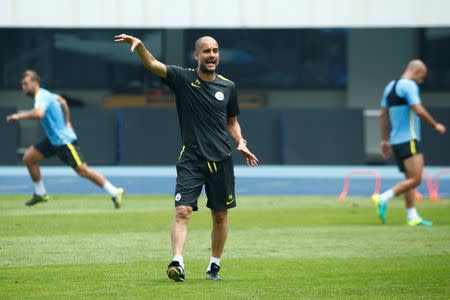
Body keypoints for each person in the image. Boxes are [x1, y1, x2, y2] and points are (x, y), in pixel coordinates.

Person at [114, 33, 258, 281]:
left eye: (215, 51)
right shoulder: (183, 78)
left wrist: (240, 142)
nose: (211, 55)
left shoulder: (228, 86)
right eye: (206, 51)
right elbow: (153, 65)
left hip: (221, 159)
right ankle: (177, 262)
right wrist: (140, 48)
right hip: (191, 158)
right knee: (182, 211)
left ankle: (214, 265)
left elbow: (232, 121)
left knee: (220, 214)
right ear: (197, 55)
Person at [6, 70, 124, 208]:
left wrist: (18, 116)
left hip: (64, 141)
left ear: (35, 83)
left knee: (83, 170)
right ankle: (41, 193)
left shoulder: (41, 96)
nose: (23, 87)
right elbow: (63, 102)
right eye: (22, 84)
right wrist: (67, 121)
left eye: (26, 83)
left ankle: (114, 191)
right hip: (53, 140)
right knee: (28, 158)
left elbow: (39, 113)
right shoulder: (48, 95)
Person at [372, 59, 446, 226]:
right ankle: (383, 197)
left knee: (408, 179)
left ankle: (412, 216)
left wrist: (384, 140)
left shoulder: (389, 86)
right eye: (423, 77)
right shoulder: (409, 86)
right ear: (418, 71)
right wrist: (436, 125)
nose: (422, 81)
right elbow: (418, 110)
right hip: (409, 139)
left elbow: (382, 115)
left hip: (395, 141)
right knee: (417, 179)